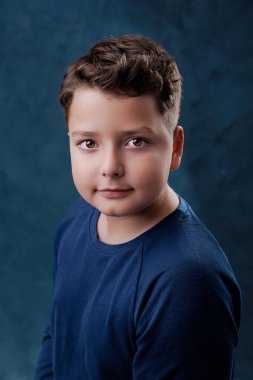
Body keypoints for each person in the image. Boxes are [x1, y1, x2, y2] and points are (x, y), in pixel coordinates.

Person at [34, 34, 241, 379]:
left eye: (136, 141)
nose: (110, 167)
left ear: (174, 147)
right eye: (88, 143)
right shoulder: (78, 217)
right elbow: (57, 339)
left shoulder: (188, 283)